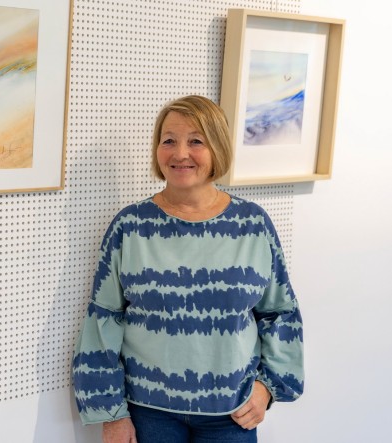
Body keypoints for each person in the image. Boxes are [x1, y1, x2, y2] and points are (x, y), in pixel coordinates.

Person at [72, 95, 304, 443]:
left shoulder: (252, 224)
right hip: (148, 412)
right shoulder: (130, 226)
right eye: (169, 141)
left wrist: (268, 387)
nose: (180, 153)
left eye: (196, 141)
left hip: (232, 412)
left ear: (217, 147)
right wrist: (111, 415)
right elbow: (103, 320)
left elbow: (281, 312)